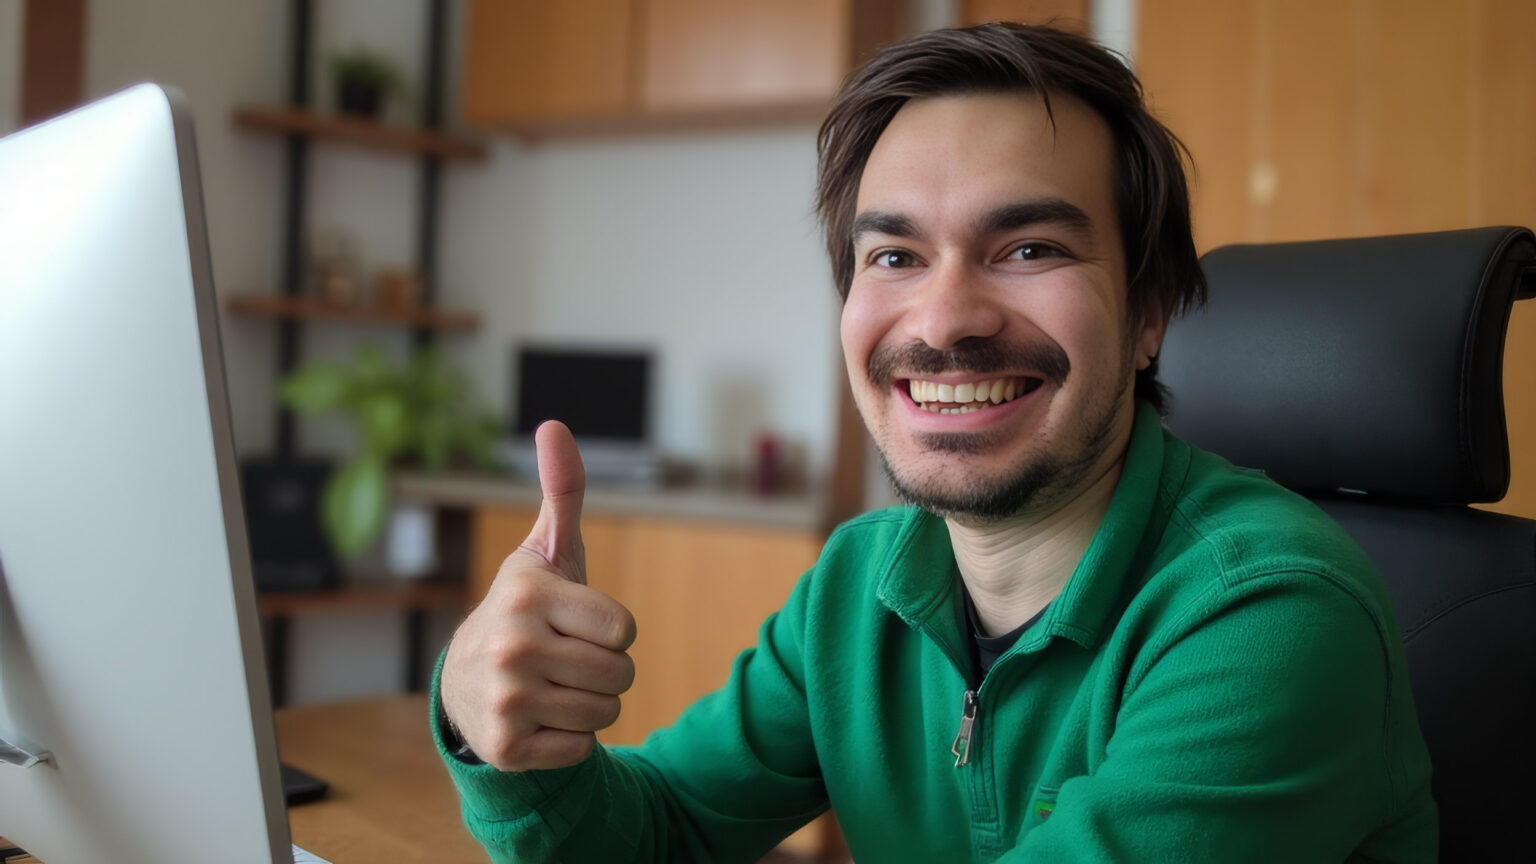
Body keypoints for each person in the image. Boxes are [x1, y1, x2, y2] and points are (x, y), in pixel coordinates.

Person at [433, 23, 1437, 863]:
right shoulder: (860, 585)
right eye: (895, 255)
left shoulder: (1271, 613)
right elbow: (660, 835)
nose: (945, 318)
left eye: (1030, 247)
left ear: (1147, 317)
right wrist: (501, 736)